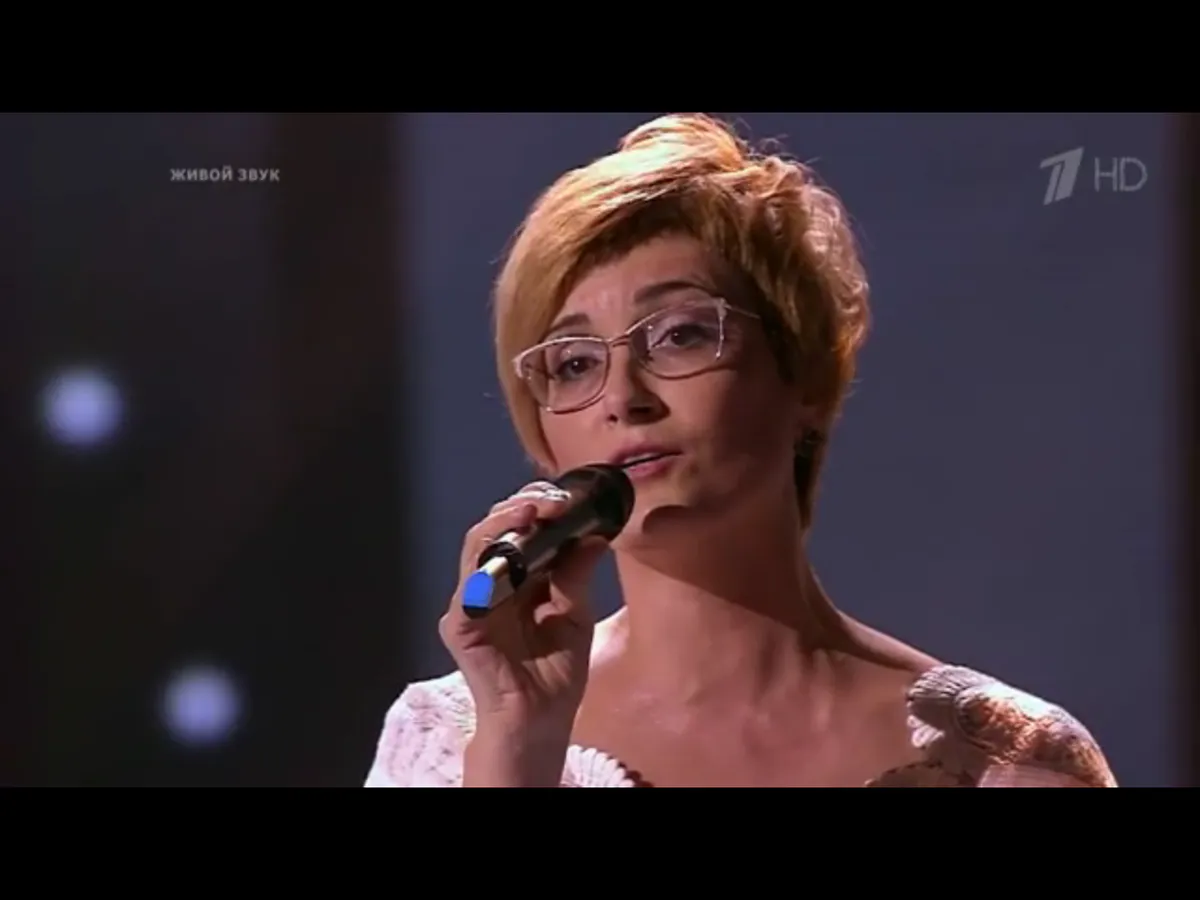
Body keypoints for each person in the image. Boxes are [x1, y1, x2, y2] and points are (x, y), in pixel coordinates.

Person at [364, 113, 1117, 788]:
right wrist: (517, 745)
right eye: (575, 363)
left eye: (680, 335)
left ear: (806, 375)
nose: (623, 396)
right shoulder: (449, 742)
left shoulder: (1009, 760)